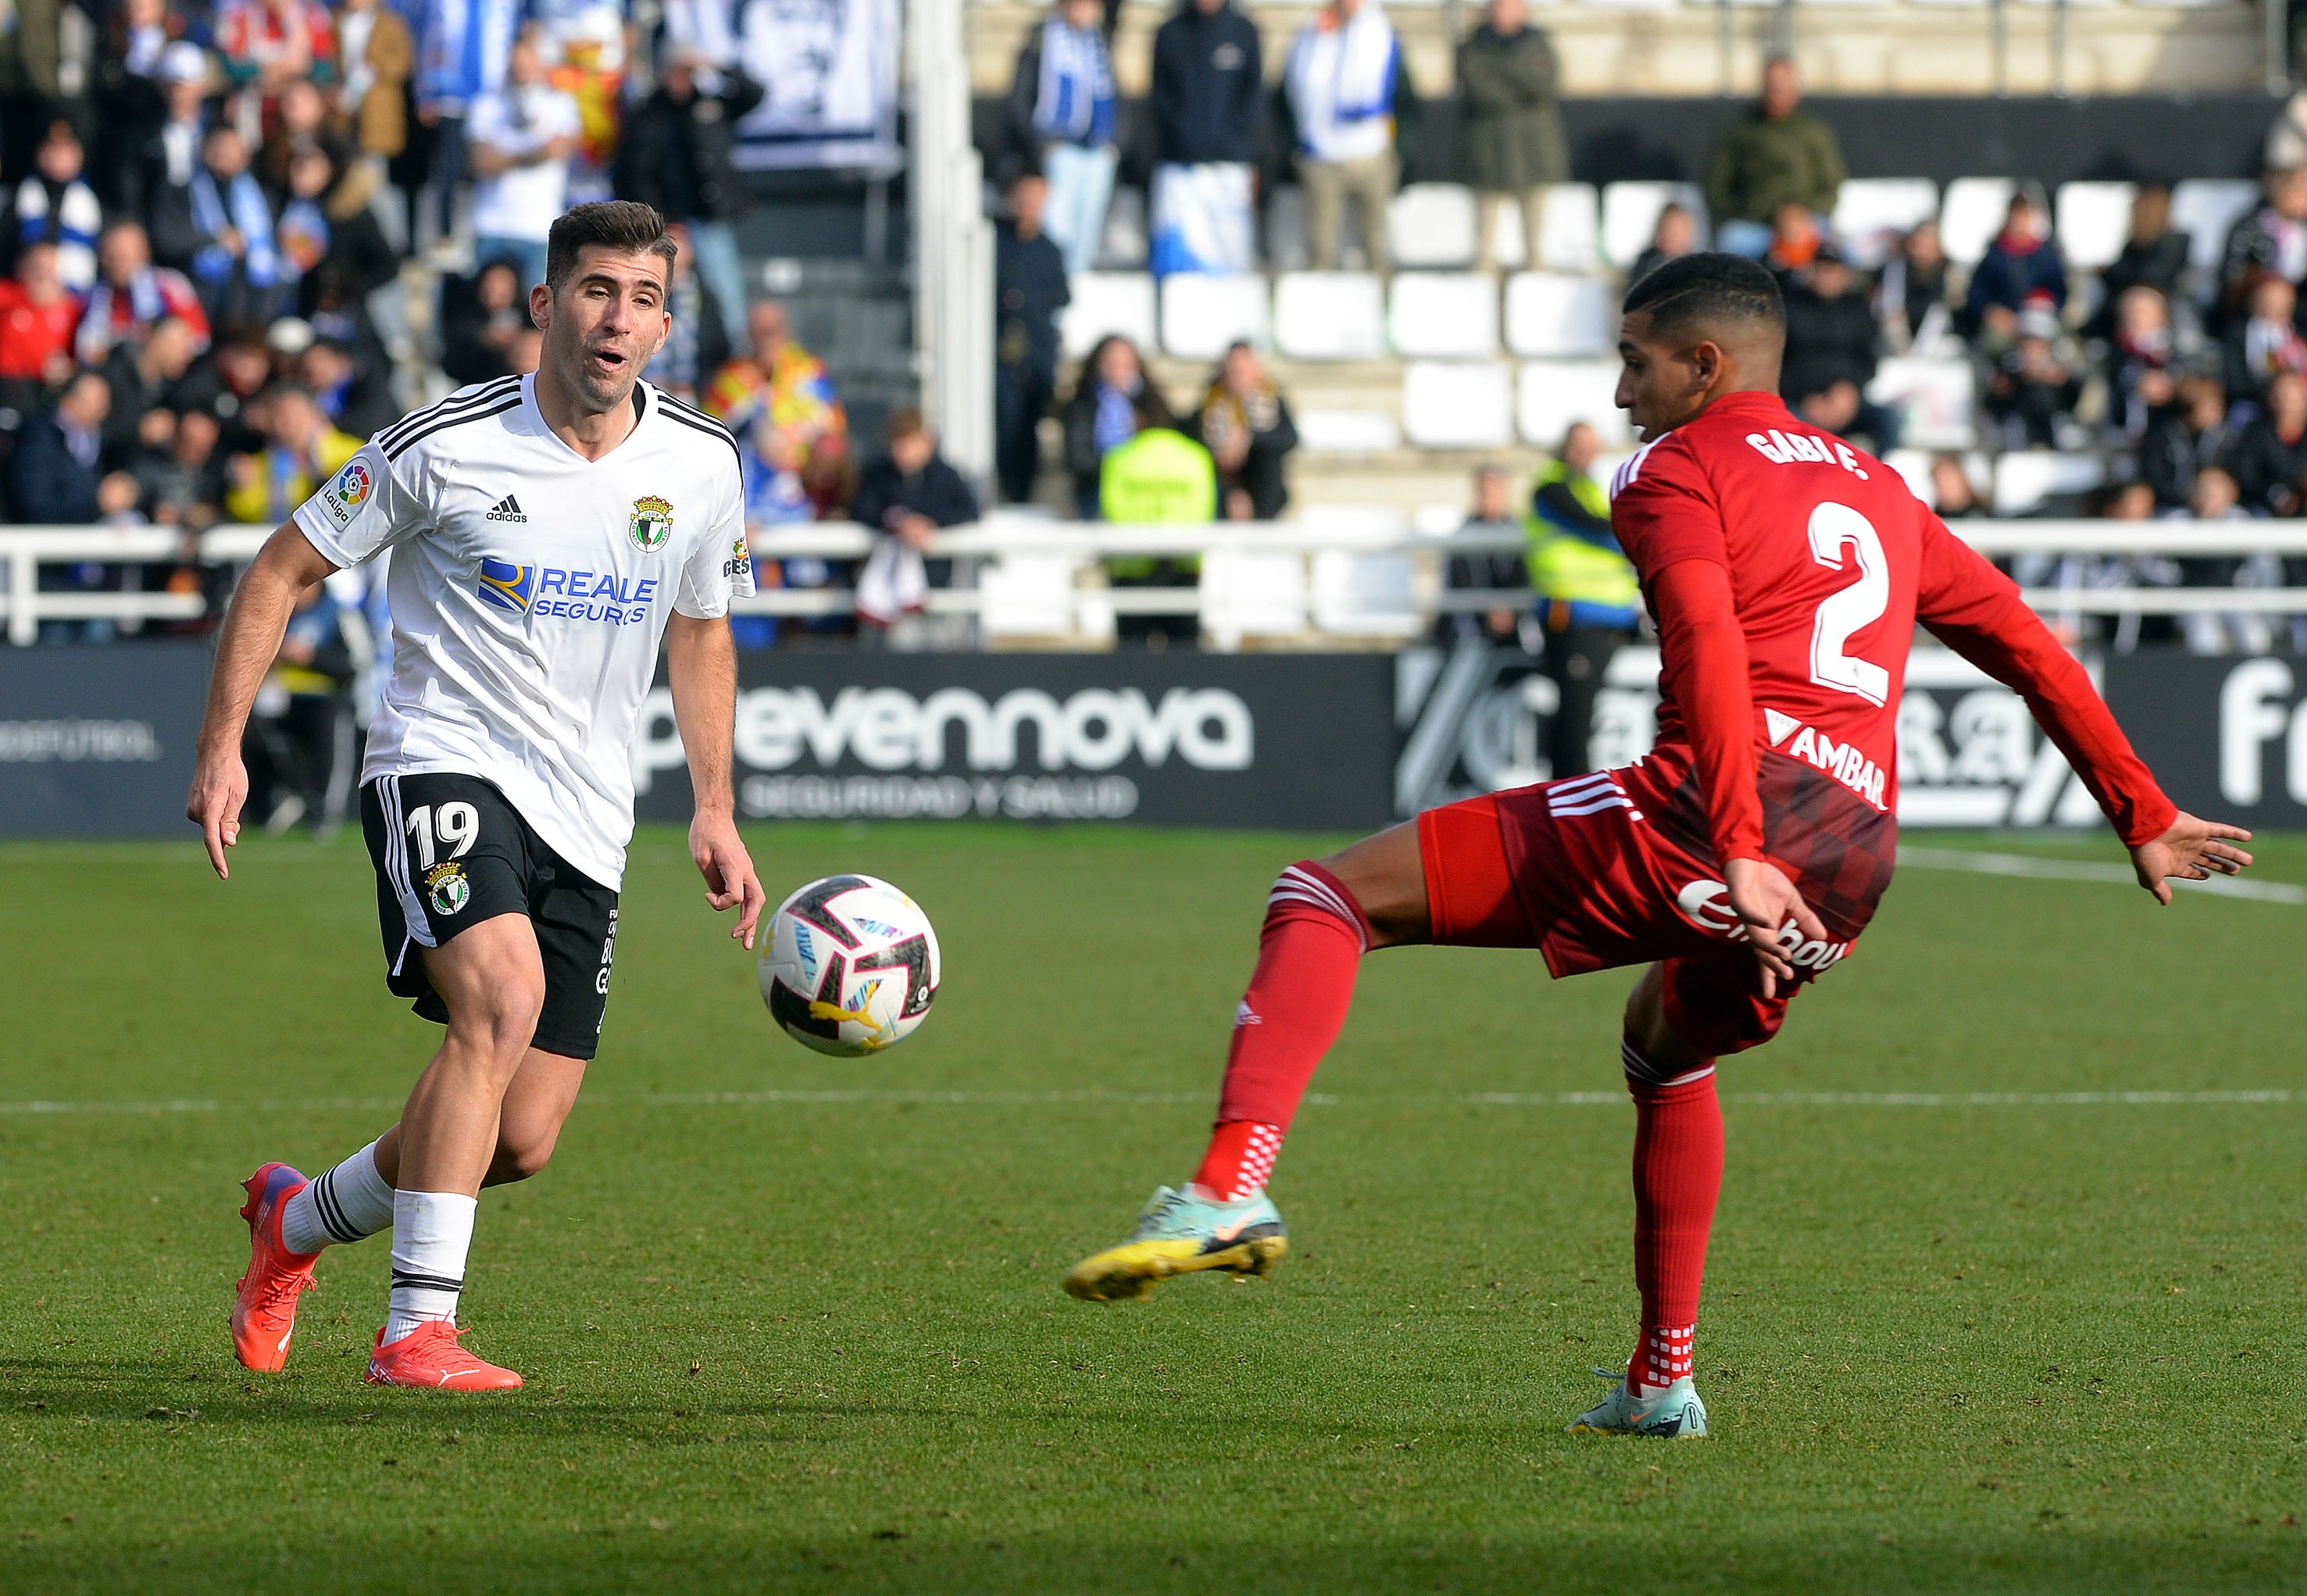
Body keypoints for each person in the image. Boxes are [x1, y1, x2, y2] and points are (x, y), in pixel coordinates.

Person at [1056, 252, 2252, 1445]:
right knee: (1665, 1046)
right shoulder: (1877, 484)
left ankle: (1225, 1184)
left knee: (1323, 891)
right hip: (1850, 862)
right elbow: (2025, 639)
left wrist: (1734, 838)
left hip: (1715, 818)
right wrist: (2137, 809)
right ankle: (1659, 1380)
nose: (1622, 390)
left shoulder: (1677, 467)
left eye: (1634, 362)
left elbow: (1707, 647)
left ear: (1702, 364)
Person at [193, 199, 765, 1393]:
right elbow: (282, 566)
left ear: (665, 324)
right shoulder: (443, 441)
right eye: (600, 290)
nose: (621, 318)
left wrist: (714, 805)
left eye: (646, 298)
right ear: (548, 306)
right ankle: (416, 1329)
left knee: (518, 1135)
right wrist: (226, 744)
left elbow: (701, 631)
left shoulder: (704, 465)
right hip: (439, 760)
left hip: (590, 811)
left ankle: (293, 1223)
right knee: (497, 998)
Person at [611, 45, 762, 344]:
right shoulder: (648, 114)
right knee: (665, 295)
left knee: (726, 294)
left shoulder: (710, 106)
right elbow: (633, 173)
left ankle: (736, 362)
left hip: (709, 219)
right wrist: (659, 221)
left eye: (687, 71)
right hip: (667, 225)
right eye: (675, 71)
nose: (680, 78)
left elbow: (755, 94)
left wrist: (717, 64)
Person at [1523, 420, 1637, 777]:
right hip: (1573, 614)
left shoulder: (1588, 487)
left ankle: (1568, 798)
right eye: (1578, 444)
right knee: (1574, 717)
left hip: (1606, 617)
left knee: (1581, 715)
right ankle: (1569, 800)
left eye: (1591, 444)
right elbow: (1596, 529)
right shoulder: (1551, 488)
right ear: (1564, 446)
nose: (1585, 451)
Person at [1285, 0, 1402, 274]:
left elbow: (1400, 96)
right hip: (1322, 155)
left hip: (1371, 153)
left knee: (1376, 244)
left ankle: (1381, 306)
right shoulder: (1310, 35)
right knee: (1321, 247)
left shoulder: (1379, 31)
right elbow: (1295, 89)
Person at [1148, 0, 1263, 277]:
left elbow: (1254, 98)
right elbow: (1161, 98)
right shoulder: (1170, 33)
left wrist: (1236, 144)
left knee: (1231, 262)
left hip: (1229, 170)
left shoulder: (1243, 32)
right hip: (1180, 169)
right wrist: (1182, 137)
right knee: (1179, 265)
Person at [850, 407, 980, 648]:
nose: (901, 452)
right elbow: (863, 511)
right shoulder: (878, 475)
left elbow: (969, 512)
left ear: (926, 442)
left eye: (907, 443)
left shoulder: (946, 477)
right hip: (885, 592)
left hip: (934, 586)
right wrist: (898, 522)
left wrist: (929, 523)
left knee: (930, 654)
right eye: (897, 444)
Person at [465, 38, 583, 294]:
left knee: (539, 313)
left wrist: (507, 157)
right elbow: (481, 162)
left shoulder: (560, 104)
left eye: (527, 65)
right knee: (485, 316)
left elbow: (559, 150)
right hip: (490, 223)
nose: (521, 71)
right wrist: (534, 153)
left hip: (538, 227)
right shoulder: (487, 105)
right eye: (516, 65)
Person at [1009, 0, 1117, 276]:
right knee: (1058, 228)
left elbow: (1116, 96)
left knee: (1087, 233)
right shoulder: (1041, 41)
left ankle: (1078, 288)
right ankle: (1056, 287)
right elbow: (1020, 100)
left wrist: (1115, 142)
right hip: (1058, 150)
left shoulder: (1098, 44)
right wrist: (1040, 145)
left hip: (1096, 151)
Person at [1457, 0, 1562, 276]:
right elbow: (1479, 90)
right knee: (1484, 249)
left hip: (1533, 153)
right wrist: (1521, 80)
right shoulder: (1472, 47)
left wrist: (1503, 75)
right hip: (1489, 156)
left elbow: (1544, 82)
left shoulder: (1538, 42)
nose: (1504, 11)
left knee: (1536, 248)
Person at [1703, 58, 1843, 259]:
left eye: (1784, 87)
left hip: (1805, 224)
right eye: (1773, 87)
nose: (1778, 94)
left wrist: (1801, 215)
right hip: (1756, 226)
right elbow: (1716, 186)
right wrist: (1752, 212)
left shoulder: (1814, 131)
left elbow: (1831, 185)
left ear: (1796, 89)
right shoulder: (1741, 130)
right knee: (1731, 241)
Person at [995, 169, 1068, 505]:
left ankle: (1022, 497)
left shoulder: (1051, 250)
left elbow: (1061, 295)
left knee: (1029, 429)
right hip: (999, 358)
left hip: (1035, 358)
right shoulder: (995, 242)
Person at [1778, 244, 1893, 451]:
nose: (1827, 275)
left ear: (1844, 274)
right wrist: (1805, 399)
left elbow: (1870, 360)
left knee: (1890, 419)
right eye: (1821, 268)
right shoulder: (1789, 308)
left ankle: (1883, 480)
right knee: (1778, 424)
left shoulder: (1858, 309)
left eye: (1833, 269)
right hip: (1799, 402)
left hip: (1848, 402)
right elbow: (1777, 363)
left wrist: (1850, 391)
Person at [180, 124, 290, 325]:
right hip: (203, 292)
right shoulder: (183, 191)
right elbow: (170, 236)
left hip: (254, 299)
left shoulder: (264, 196)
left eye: (231, 148)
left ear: (246, 157)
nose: (224, 153)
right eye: (218, 145)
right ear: (203, 150)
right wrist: (217, 239)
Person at [1063, 333, 1172, 520]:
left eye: (1125, 364)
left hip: (1145, 489)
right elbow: (1077, 455)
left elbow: (1164, 446)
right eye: (1111, 363)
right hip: (1096, 487)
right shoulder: (1083, 403)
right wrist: (1113, 466)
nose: (1118, 371)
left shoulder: (1151, 402)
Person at [78, 221, 211, 367]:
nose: (116, 264)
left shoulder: (170, 286)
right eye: (110, 257)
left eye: (124, 257)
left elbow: (199, 339)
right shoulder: (91, 298)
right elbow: (86, 350)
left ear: (144, 254)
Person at [1195, 341, 1298, 520]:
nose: (1238, 376)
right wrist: (1231, 490)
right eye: (1233, 370)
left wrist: (1249, 439)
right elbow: (1193, 439)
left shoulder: (1271, 400)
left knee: (1269, 460)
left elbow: (1290, 438)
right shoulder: (1211, 402)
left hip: (1264, 492)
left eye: (1242, 370)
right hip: (1223, 487)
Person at [1437, 462, 1530, 646]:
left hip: (1514, 627)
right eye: (1484, 490)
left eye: (1494, 489)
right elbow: (1460, 583)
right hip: (1473, 629)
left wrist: (1510, 612)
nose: (1489, 496)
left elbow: (1525, 579)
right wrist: (1488, 611)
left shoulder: (1520, 536)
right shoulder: (1462, 538)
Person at [638, 223, 730, 403]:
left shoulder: (704, 296)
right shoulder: (641, 289)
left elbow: (718, 345)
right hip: (646, 386)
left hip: (693, 392)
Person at [2087, 187, 2190, 340]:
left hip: (2161, 304)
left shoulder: (2175, 241)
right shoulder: (2133, 244)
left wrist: (2112, 272)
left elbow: (2153, 275)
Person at [11, 369, 113, 522]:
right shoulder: (37, 438)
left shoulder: (102, 439)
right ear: (70, 400)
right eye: (97, 402)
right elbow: (36, 506)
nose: (105, 410)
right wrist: (96, 502)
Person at [1963, 192, 2064, 346]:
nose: (2019, 222)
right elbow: (1977, 293)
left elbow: (2059, 291)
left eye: (2024, 216)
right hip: (2004, 322)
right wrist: (1991, 312)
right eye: (2015, 216)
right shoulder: (1994, 255)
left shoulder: (2046, 255)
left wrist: (2044, 306)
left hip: (2039, 318)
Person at [13, 118, 101, 292]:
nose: (58, 155)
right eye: (52, 148)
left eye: (66, 149)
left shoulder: (91, 201)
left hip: (76, 296)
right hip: (26, 291)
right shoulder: (17, 199)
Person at [1983, 306, 2083, 451]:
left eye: (2038, 346)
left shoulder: (2059, 374)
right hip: (2017, 440)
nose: (2032, 353)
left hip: (2054, 440)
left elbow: (2074, 402)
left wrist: (2060, 381)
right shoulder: (2007, 370)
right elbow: (1993, 405)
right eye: (2027, 346)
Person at [0, 241, 83, 404]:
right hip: (6, 385)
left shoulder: (71, 310)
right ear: (22, 269)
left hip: (44, 393)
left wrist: (66, 370)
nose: (43, 278)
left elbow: (77, 357)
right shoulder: (8, 296)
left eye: (51, 271)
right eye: (38, 269)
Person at [2219, 167, 2307, 319]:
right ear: (2281, 191)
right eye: (2300, 191)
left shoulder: (2302, 230)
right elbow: (2232, 276)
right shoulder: (2252, 227)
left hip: (2299, 305)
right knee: (2275, 296)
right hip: (2251, 304)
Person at [2223, 367, 2307, 515]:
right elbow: (2246, 477)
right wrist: (2276, 494)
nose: (2286, 401)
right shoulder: (2255, 434)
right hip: (2265, 507)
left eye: (2292, 396)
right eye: (2280, 395)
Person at [2221, 272, 2307, 404]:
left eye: (2282, 297)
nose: (2275, 303)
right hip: (2254, 400)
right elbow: (2235, 378)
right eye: (2269, 297)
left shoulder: (2298, 335)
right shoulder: (2238, 333)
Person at [1876, 220, 1949, 354]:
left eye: (1928, 246)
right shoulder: (1895, 270)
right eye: (1917, 245)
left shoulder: (1951, 276)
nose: (1921, 252)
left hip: (1939, 345)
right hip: (1900, 346)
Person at [1628, 202, 1694, 288]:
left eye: (1676, 230)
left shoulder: (1695, 266)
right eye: (1667, 228)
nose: (1670, 235)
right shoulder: (1646, 262)